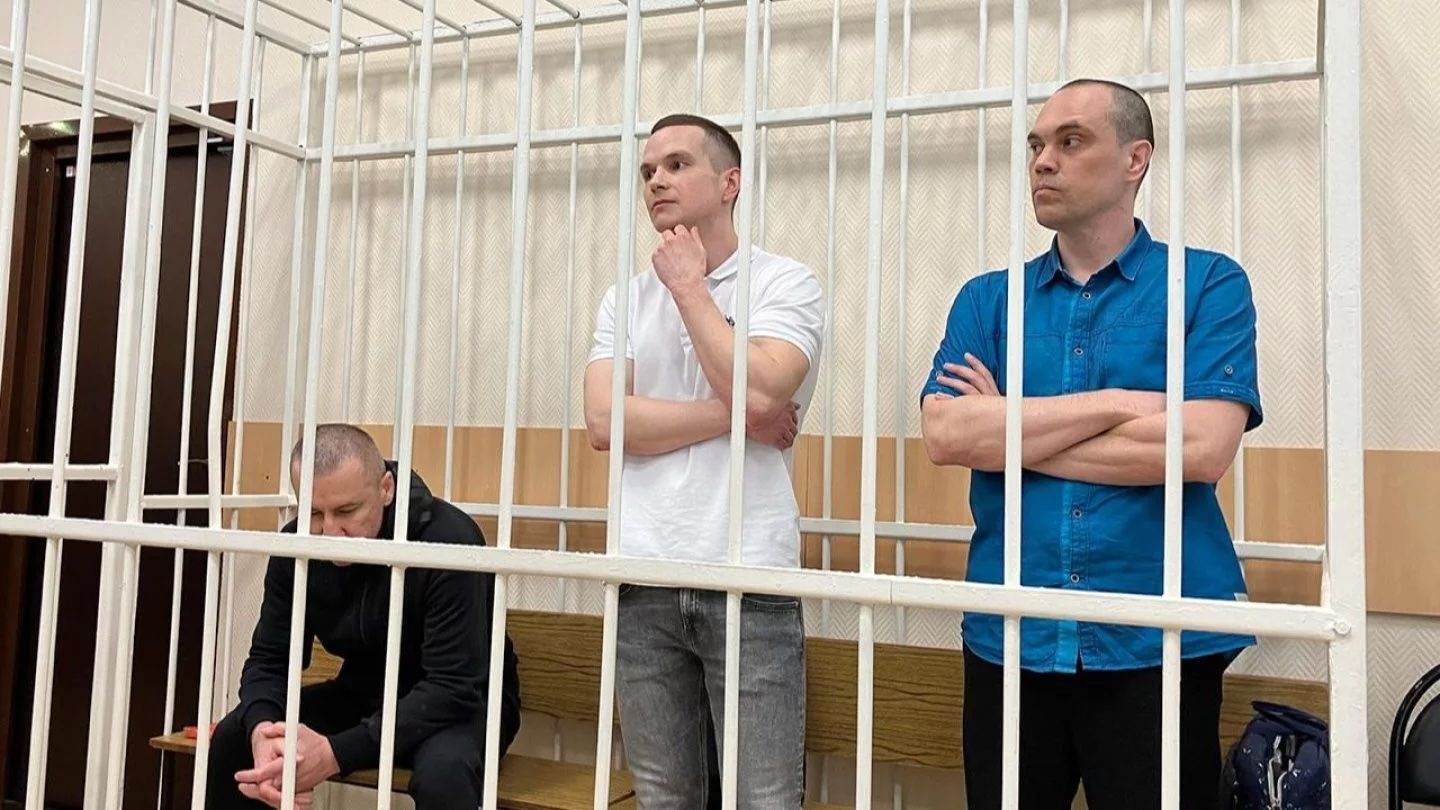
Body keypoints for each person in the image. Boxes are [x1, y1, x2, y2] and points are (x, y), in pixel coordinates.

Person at [919, 79, 1263, 808]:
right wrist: (1111, 406)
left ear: (1135, 159)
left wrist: (1009, 427)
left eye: (1070, 142)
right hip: (1011, 636)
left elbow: (1201, 450)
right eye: (1037, 145)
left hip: (1159, 636)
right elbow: (947, 433)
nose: (1044, 161)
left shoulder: (1206, 284)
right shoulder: (988, 299)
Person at [583, 113, 825, 807]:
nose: (657, 179)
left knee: (765, 797)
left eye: (677, 164)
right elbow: (606, 422)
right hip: (642, 567)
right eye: (648, 170)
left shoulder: (786, 282)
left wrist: (690, 287)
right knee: (664, 795)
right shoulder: (623, 297)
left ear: (730, 183)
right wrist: (741, 416)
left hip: (748, 569)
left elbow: (763, 383)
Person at [206, 423, 522, 810]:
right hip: (365, 694)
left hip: (463, 706)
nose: (330, 532)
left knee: (445, 774)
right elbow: (271, 659)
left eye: (347, 511)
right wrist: (262, 732)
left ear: (386, 489)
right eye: (313, 513)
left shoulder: (449, 539)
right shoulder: (297, 546)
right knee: (234, 737)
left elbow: (453, 686)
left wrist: (335, 753)